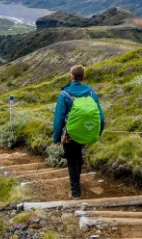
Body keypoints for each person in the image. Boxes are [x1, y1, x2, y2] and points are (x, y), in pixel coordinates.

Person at [53, 65, 105, 200]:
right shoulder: (91, 93)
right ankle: (77, 182)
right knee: (78, 156)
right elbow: (101, 116)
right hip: (85, 130)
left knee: (71, 160)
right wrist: (98, 131)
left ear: (72, 76)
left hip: (70, 133)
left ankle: (76, 192)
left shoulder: (64, 94)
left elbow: (59, 118)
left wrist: (56, 138)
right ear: (83, 77)